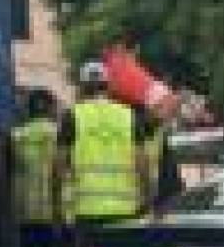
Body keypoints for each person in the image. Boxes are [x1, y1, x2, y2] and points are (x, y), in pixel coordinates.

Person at [53, 61, 151, 234]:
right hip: (124, 211)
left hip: (86, 211)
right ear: (107, 87)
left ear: (82, 88)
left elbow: (58, 167)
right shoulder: (128, 116)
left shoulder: (72, 117)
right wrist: (146, 201)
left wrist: (57, 209)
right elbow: (142, 164)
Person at [12, 88, 63, 247]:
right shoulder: (60, 135)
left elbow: (9, 173)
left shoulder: (17, 136)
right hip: (58, 217)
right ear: (52, 109)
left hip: (28, 217)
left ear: (29, 110)